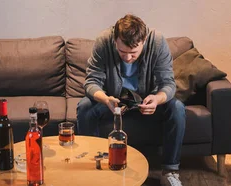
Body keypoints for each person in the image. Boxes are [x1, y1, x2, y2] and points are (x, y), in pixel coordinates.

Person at [77, 14, 186, 186]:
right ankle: (94, 164)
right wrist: (105, 99)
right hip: (113, 100)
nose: (127, 58)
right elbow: (91, 82)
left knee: (177, 108)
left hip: (147, 100)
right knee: (84, 106)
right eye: (122, 52)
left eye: (133, 53)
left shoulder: (157, 42)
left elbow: (168, 84)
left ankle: (170, 171)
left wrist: (157, 99)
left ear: (143, 40)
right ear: (115, 41)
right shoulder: (103, 40)